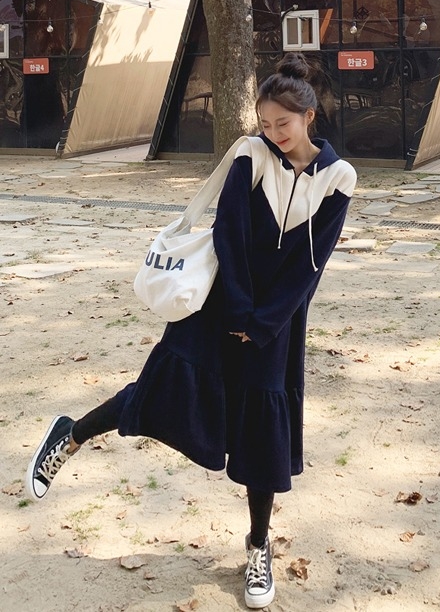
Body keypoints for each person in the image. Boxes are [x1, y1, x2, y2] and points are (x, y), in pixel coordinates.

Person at [25, 52, 357, 610]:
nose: (274, 133)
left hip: (277, 323)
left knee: (262, 433)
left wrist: (263, 324)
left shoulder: (339, 177)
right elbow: (229, 233)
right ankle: (71, 435)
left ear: (309, 116)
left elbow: (311, 266)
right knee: (163, 391)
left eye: (283, 123)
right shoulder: (251, 154)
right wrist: (240, 312)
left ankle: (258, 545)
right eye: (265, 123)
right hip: (219, 305)